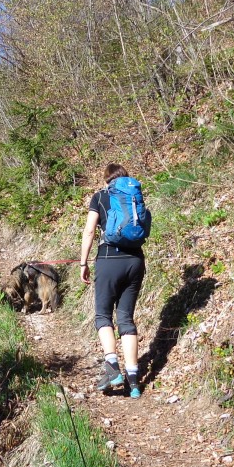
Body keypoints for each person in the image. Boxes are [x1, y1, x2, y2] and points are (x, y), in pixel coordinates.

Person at [79, 163, 146, 398]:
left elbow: (89, 231)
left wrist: (83, 262)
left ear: (107, 180)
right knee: (126, 318)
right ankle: (134, 382)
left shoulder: (100, 197)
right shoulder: (135, 197)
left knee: (103, 316)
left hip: (109, 260)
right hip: (135, 261)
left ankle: (113, 368)